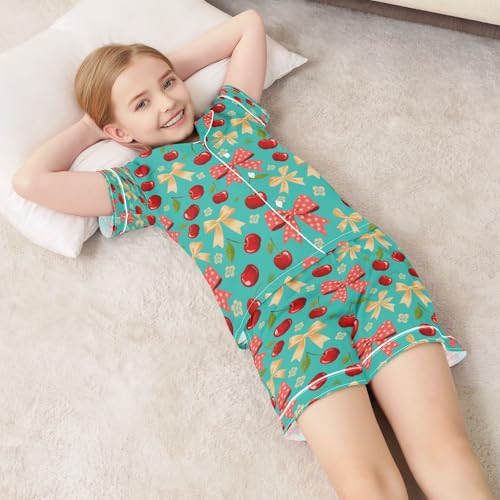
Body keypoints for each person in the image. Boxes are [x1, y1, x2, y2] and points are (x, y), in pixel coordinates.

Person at [11, 8, 493, 499]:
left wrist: (153, 71)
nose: (168, 102)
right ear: (118, 133)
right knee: (366, 482)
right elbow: (31, 181)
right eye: (142, 103)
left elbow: (247, 25)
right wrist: (92, 125)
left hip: (370, 272)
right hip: (287, 323)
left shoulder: (234, 116)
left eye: (169, 83)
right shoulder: (142, 183)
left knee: (443, 449)